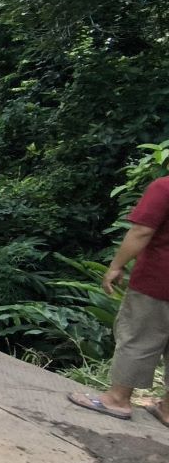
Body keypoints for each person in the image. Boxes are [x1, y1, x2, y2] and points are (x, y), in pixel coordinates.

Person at [68, 176, 169, 426]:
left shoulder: (164, 187)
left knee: (139, 337)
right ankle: (167, 407)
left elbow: (142, 230)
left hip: (159, 281)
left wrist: (116, 265)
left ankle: (117, 398)